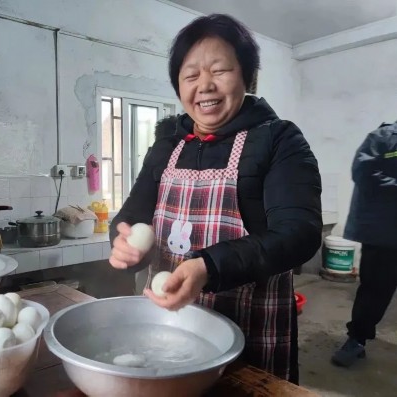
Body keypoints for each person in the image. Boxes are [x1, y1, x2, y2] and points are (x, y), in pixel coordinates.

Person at [108, 13, 323, 383]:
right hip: (167, 325)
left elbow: (299, 233)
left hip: (251, 329)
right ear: (179, 86)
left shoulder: (278, 139)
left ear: (246, 77)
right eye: (191, 75)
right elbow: (131, 216)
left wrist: (207, 266)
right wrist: (124, 244)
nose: (204, 86)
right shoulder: (167, 145)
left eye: (219, 71)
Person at [332, 121, 397, 367]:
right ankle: (357, 340)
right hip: (385, 232)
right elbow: (363, 171)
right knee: (375, 289)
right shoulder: (383, 137)